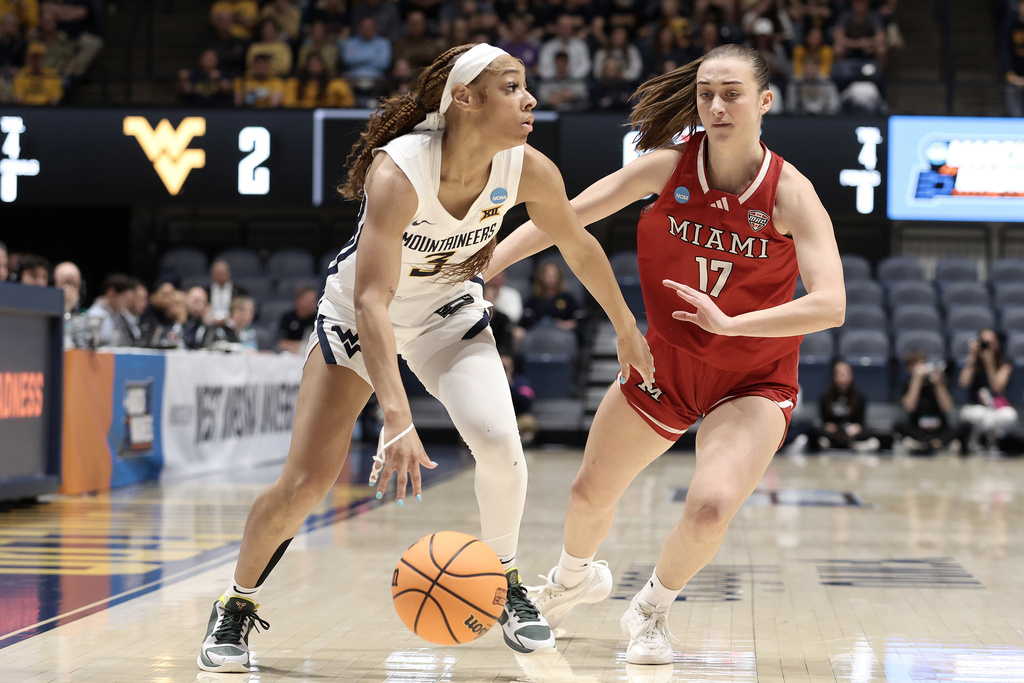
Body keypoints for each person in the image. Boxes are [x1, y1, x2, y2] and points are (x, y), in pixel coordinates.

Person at [196, 42, 652, 673]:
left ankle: (508, 584)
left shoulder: (527, 168)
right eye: (513, 87)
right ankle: (236, 603)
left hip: (446, 314)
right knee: (304, 485)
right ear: (464, 98)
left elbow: (576, 246)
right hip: (359, 320)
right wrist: (397, 417)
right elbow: (373, 302)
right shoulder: (399, 171)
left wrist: (626, 327)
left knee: (500, 444)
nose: (531, 99)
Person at [484, 43, 845, 664]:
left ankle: (650, 610)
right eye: (707, 93)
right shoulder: (666, 167)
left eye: (731, 93)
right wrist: (484, 264)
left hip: (753, 376)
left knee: (708, 508)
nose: (716, 105)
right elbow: (565, 219)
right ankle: (572, 581)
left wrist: (734, 323)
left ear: (765, 102)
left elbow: (832, 304)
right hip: (666, 362)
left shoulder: (791, 194)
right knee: (588, 494)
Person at [892, 349, 964, 456]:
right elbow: (910, 407)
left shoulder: (939, 383)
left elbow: (947, 407)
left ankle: (934, 443)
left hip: (939, 429)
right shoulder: (906, 386)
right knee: (898, 425)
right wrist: (917, 381)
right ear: (909, 369)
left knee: (964, 425)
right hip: (918, 428)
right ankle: (929, 442)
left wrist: (938, 384)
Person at [958, 328, 1018, 453]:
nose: (987, 346)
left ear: (997, 343)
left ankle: (992, 442)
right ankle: (974, 443)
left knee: (1009, 415)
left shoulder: (1005, 363)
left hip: (995, 408)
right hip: (975, 407)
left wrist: (989, 362)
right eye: (984, 342)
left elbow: (997, 387)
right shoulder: (973, 362)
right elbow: (964, 382)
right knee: (980, 414)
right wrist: (973, 358)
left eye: (990, 342)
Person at [804, 358, 880, 453]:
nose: (842, 378)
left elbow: (860, 423)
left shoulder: (860, 397)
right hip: (833, 433)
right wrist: (830, 427)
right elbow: (824, 422)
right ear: (834, 377)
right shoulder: (825, 397)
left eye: (845, 374)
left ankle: (852, 444)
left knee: (872, 431)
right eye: (839, 374)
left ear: (851, 376)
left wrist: (856, 428)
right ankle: (838, 444)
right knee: (814, 430)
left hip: (851, 432)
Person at [284, 52, 355, 108]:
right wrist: (306, 106)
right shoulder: (294, 83)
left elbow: (348, 102)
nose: (314, 67)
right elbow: (288, 103)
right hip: (301, 115)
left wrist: (334, 106)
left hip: (328, 116)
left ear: (323, 65)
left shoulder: (336, 83)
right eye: (312, 65)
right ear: (306, 66)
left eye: (317, 64)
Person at [276, 284, 317, 354]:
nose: (314, 304)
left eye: (314, 301)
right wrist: (302, 347)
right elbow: (281, 342)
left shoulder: (318, 319)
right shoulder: (288, 318)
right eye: (310, 302)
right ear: (299, 302)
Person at [1000, 0, 1024, 117]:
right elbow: (1005, 52)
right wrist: (1011, 76)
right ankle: (1016, 124)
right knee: (1011, 90)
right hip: (1016, 76)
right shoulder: (1010, 25)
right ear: (1018, 6)